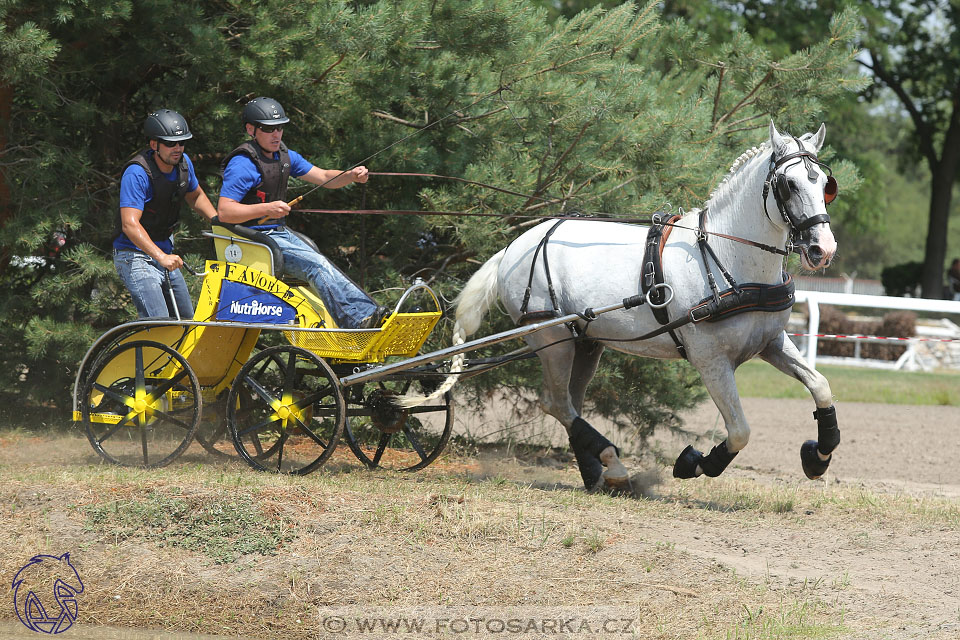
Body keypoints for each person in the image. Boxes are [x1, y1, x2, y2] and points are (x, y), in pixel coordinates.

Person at [217, 96, 386, 329]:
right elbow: (225, 212)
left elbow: (325, 177)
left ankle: (369, 314)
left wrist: (350, 176)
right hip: (254, 241)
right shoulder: (243, 164)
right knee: (315, 264)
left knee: (322, 261)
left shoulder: (284, 156)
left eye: (280, 127)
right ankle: (357, 321)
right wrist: (266, 208)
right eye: (268, 129)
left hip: (277, 234)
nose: (276, 134)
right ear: (250, 130)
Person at [114, 109, 218, 318]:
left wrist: (220, 223)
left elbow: (195, 197)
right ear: (154, 145)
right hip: (134, 256)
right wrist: (161, 257)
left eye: (181, 142)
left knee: (187, 322)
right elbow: (129, 224)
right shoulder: (137, 173)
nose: (177, 148)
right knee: (161, 324)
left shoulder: (183, 164)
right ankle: (145, 348)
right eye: (171, 143)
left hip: (164, 254)